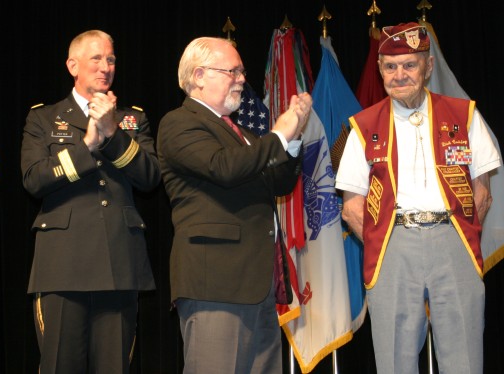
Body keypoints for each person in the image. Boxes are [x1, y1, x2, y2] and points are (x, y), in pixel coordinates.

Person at [335, 22, 501, 374]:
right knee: (395, 360)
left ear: (427, 67)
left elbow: (482, 194)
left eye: (409, 65)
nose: (399, 75)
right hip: (392, 245)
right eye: (391, 67)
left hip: (453, 239)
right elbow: (352, 208)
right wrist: (384, 244)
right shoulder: (363, 127)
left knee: (465, 357)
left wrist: (461, 235)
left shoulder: (465, 115)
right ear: (380, 71)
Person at [157, 36, 311, 373]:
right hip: (216, 284)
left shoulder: (245, 135)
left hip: (259, 286)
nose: (242, 78)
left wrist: (294, 136)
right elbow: (223, 168)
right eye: (233, 71)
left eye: (242, 71)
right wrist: (278, 136)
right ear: (199, 75)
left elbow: (280, 183)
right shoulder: (179, 123)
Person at [21, 30, 160, 373]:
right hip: (63, 266)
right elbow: (34, 180)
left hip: (119, 262)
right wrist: (86, 147)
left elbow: (150, 177)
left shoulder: (131, 118)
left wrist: (112, 134)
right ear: (73, 65)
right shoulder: (43, 117)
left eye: (111, 59)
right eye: (96, 58)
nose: (105, 67)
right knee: (59, 366)